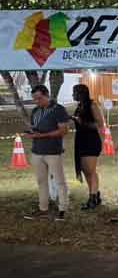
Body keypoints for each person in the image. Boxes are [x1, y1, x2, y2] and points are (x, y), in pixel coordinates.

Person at [23, 85, 70, 221]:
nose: (37, 101)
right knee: (41, 181)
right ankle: (43, 208)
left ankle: (62, 209)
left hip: (53, 151)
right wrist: (32, 133)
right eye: (34, 99)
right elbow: (35, 128)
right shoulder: (36, 111)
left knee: (60, 181)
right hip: (37, 151)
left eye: (39, 98)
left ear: (47, 94)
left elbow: (63, 131)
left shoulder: (58, 109)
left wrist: (41, 136)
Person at [70, 84, 105, 210]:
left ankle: (93, 198)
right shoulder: (80, 106)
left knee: (91, 170)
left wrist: (82, 122)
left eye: (74, 92)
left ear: (81, 93)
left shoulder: (92, 105)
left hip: (91, 140)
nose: (73, 95)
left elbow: (100, 124)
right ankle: (94, 194)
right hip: (81, 140)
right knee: (85, 170)